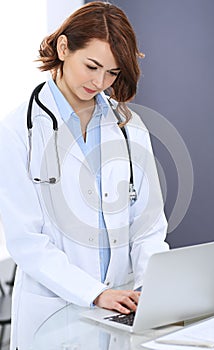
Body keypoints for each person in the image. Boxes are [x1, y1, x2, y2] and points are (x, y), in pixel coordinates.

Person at [0, 2, 169, 349]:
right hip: (56, 312)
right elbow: (26, 241)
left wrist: (153, 289)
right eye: (91, 66)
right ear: (64, 48)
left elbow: (149, 224)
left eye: (112, 72)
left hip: (123, 312)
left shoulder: (128, 127)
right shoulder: (20, 131)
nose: (100, 82)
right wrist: (95, 293)